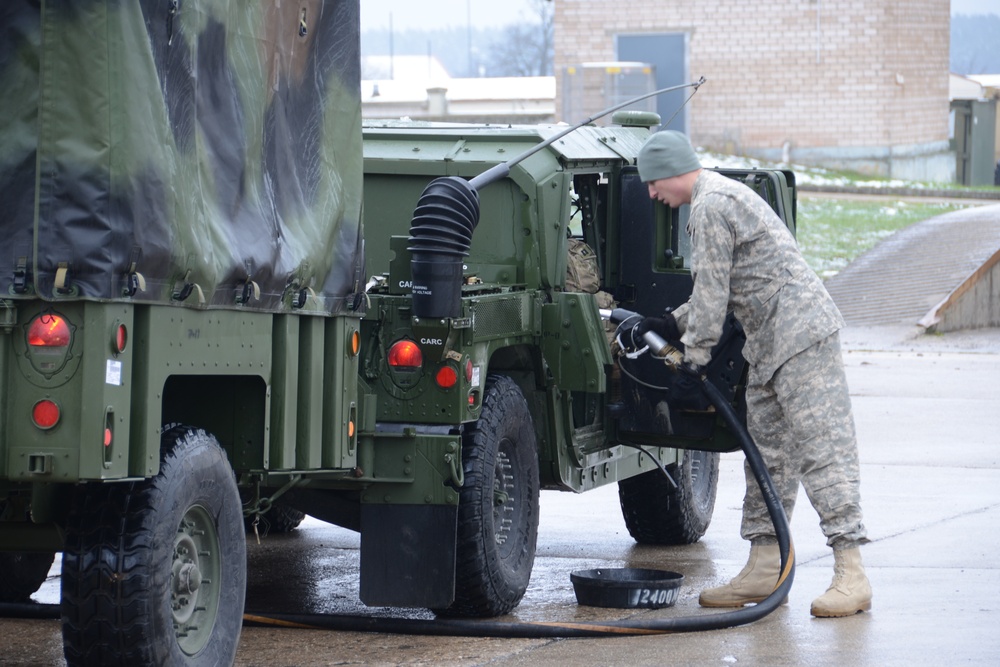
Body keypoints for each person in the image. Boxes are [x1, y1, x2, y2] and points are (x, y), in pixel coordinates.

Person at [634, 130, 872, 618]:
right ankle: (765, 564)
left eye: (652, 184)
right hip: (768, 345)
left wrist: (692, 359)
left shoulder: (711, 205)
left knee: (822, 450)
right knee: (767, 456)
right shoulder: (716, 199)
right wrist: (670, 324)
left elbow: (713, 298)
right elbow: (716, 288)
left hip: (800, 337)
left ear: (670, 171)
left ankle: (852, 571)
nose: (652, 195)